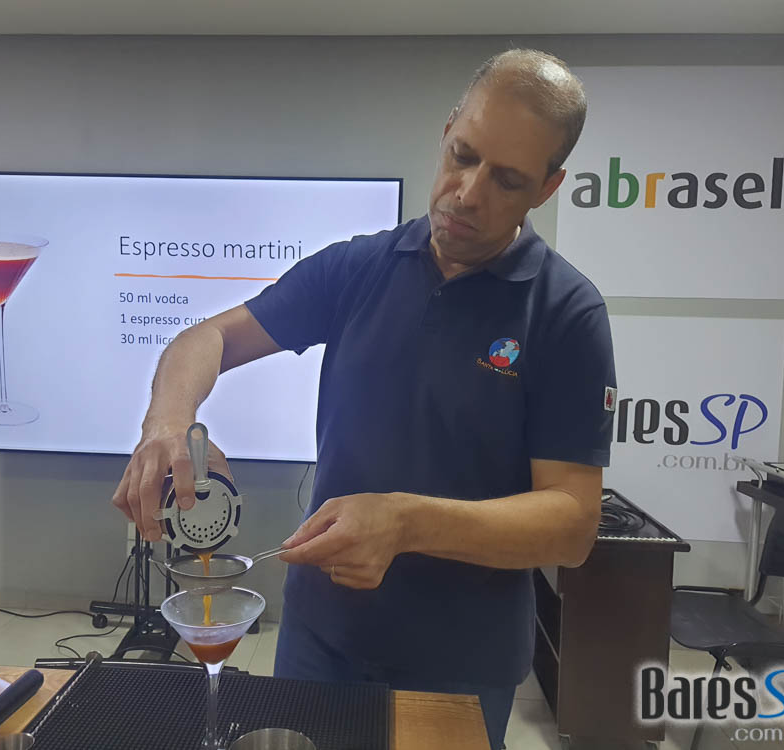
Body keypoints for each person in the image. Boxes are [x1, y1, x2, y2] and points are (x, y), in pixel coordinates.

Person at [113, 48, 616, 749]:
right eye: (463, 156)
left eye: (507, 180)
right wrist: (167, 423)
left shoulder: (566, 314)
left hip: (461, 661)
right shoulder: (359, 267)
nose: (468, 193)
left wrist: (405, 522)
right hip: (321, 641)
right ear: (448, 130)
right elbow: (207, 339)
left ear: (548, 186)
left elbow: (572, 523)